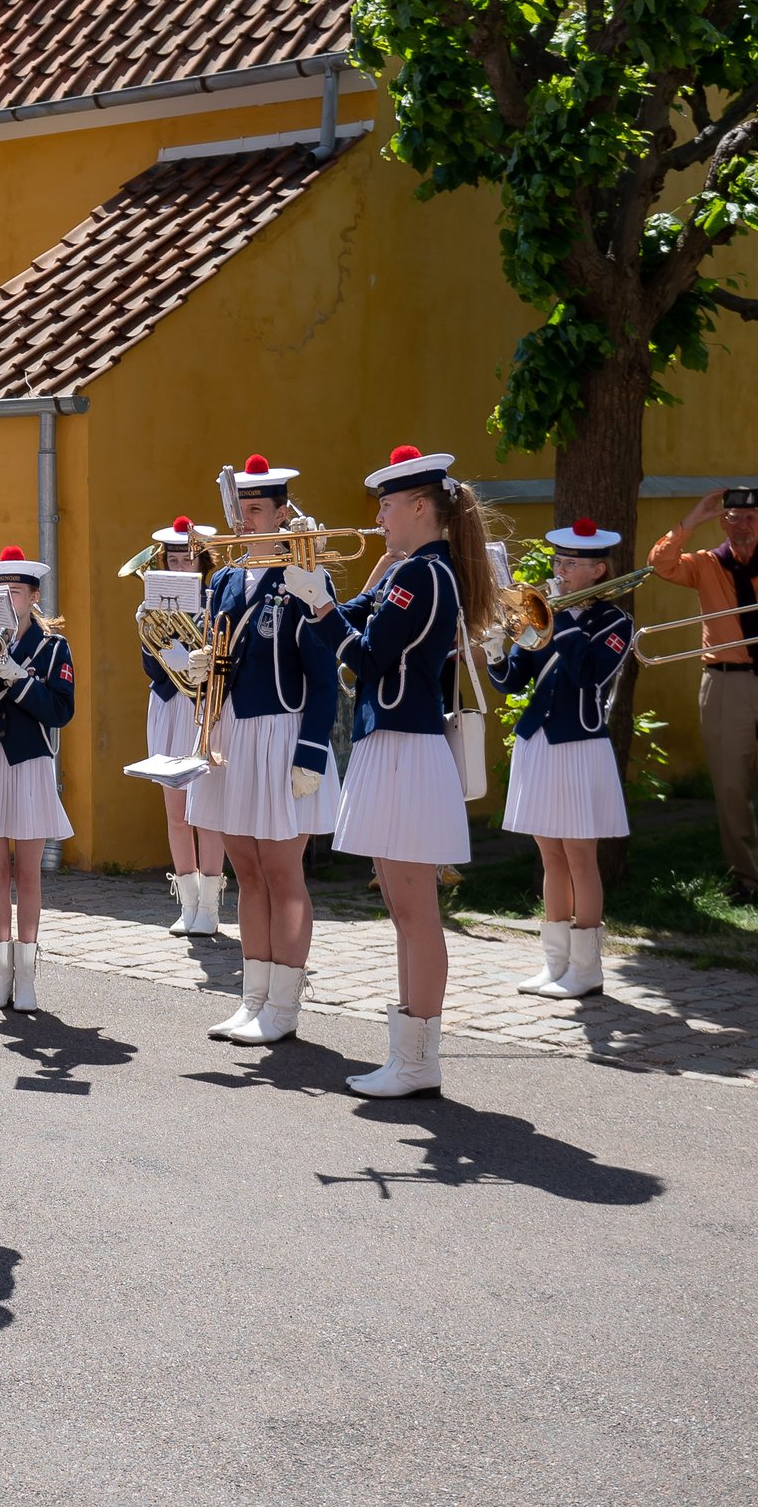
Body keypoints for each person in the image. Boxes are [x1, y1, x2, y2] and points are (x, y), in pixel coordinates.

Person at [291, 445, 497, 1099]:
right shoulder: (412, 570)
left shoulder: (425, 575)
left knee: (414, 909)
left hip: (407, 747)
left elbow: (371, 660)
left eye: (385, 504)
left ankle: (417, 1058)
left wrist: (324, 609)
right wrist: (329, 598)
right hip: (396, 744)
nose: (378, 516)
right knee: (401, 904)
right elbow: (356, 625)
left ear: (416, 505)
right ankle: (408, 1053)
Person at [192, 461, 341, 1046]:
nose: (244, 519)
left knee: (283, 874)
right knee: (247, 872)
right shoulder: (226, 582)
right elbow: (222, 655)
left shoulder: (304, 577)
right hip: (233, 733)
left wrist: (312, 752)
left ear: (283, 512)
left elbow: (325, 677)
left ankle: (284, 1004)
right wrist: (199, 669)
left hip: (284, 732)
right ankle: (252, 998)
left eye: (256, 509)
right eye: (240, 509)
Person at [485, 518, 635, 1000]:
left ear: (598, 571)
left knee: (580, 857)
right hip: (539, 742)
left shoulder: (615, 623)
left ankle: (587, 969)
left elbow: (589, 674)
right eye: (558, 562)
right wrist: (495, 654)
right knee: (550, 854)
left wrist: (561, 620)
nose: (560, 571)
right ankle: (555, 963)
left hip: (579, 744)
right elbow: (514, 681)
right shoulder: (545, 615)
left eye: (571, 564)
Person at [649, 486, 758, 904]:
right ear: (723, 522)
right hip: (724, 684)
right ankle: (747, 879)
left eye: (752, 518)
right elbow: (661, 565)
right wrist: (692, 519)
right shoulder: (705, 564)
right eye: (734, 517)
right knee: (730, 788)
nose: (742, 525)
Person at [0, 546, 76, 1014]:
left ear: (33, 596)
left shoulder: (52, 647)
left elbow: (60, 710)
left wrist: (16, 675)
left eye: (16, 592)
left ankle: (26, 974)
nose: (7, 599)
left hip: (29, 764)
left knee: (27, 872)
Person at [143, 514, 229, 937]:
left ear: (202, 561)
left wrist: (196, 664)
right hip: (166, 704)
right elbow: (149, 667)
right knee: (176, 812)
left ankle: (211, 907)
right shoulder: (155, 603)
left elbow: (226, 659)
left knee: (207, 810)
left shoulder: (218, 598)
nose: (181, 567)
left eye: (188, 559)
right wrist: (162, 653)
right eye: (174, 560)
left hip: (204, 706)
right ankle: (188, 903)